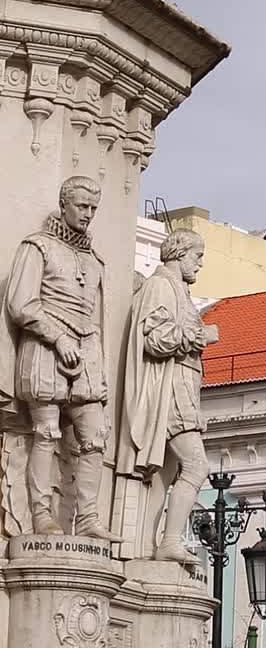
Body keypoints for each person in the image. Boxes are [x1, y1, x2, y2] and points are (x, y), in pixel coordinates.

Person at [0, 176, 121, 540]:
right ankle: (41, 515)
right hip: (44, 349)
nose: (88, 214)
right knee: (46, 432)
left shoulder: (94, 259)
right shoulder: (37, 246)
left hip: (86, 352)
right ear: (64, 204)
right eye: (82, 206)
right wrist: (57, 336)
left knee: (95, 435)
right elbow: (21, 303)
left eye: (93, 208)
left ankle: (87, 518)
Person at [119, 228, 217, 563]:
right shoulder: (161, 285)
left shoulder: (178, 290)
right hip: (171, 387)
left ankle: (147, 545)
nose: (200, 264)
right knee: (197, 465)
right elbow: (154, 339)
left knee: (167, 472)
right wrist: (200, 335)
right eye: (197, 256)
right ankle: (170, 540)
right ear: (179, 253)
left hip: (184, 384)